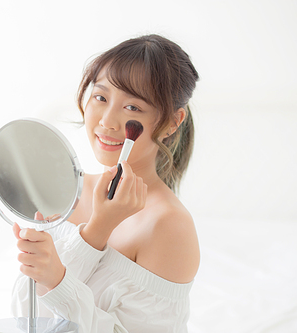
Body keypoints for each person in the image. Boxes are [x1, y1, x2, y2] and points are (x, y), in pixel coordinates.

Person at [11, 34, 200, 333]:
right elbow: (28, 318)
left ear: (172, 122)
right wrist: (93, 234)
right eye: (101, 98)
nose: (107, 121)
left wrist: (64, 272)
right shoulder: (66, 194)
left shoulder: (169, 226)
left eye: (133, 108)